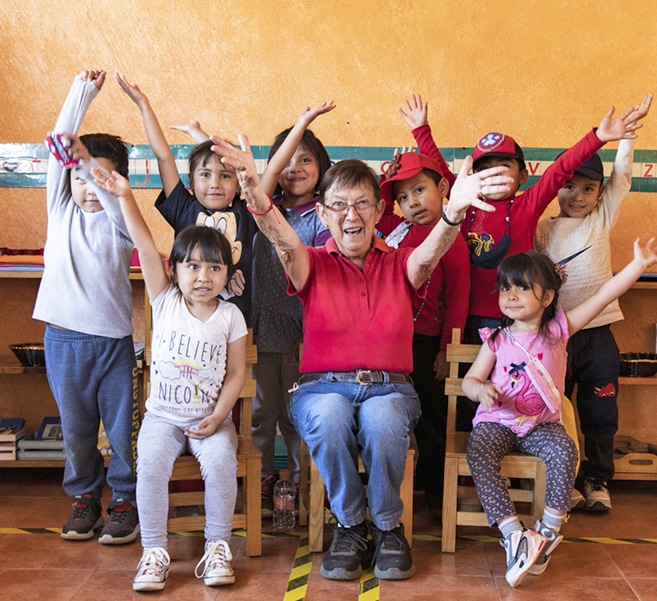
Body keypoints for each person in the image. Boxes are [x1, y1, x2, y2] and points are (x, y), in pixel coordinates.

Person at [210, 132, 514, 581]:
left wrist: (453, 213)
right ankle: (352, 525)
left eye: (361, 204)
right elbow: (279, 236)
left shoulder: (401, 262)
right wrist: (254, 188)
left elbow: (431, 254)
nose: (350, 215)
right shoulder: (310, 261)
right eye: (338, 205)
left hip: (390, 387)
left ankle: (388, 527)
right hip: (321, 387)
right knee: (330, 416)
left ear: (377, 211)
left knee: (383, 419)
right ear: (322, 213)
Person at [400, 93, 647, 428]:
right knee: (463, 398)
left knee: (513, 393)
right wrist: (421, 131)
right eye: (484, 169)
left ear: (522, 175)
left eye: (504, 167)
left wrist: (599, 137)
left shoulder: (526, 205)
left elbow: (560, 171)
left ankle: (518, 459)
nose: (494, 175)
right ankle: (473, 463)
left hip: (515, 322)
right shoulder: (466, 202)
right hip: (466, 320)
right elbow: (442, 172)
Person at [461, 240, 657, 588]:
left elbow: (601, 298)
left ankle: (547, 532)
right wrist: (481, 390)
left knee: (566, 450)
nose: (511, 295)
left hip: (540, 426)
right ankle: (513, 534)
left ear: (548, 297)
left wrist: (637, 266)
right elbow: (471, 379)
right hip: (499, 422)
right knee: (479, 451)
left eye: (522, 287)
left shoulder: (557, 331)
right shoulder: (496, 340)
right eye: (506, 287)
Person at [172, 104, 336, 517]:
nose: (295, 168)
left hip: (303, 334)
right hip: (259, 329)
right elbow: (223, 175)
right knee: (262, 414)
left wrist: (302, 123)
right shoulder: (258, 206)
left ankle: (301, 488)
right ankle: (261, 485)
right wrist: (198, 134)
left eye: (306, 159)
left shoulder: (322, 214)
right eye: (289, 160)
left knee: (298, 415)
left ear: (322, 167)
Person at [90, 166, 248, 592]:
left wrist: (218, 419)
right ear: (175, 269)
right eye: (192, 266)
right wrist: (125, 196)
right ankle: (154, 551)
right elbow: (142, 239)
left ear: (226, 273)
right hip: (162, 417)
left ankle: (217, 546)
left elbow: (236, 374)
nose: (202, 276)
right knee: (152, 466)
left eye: (214, 268)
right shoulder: (165, 301)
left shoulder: (231, 316)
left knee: (220, 464)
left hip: (209, 419)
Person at [33, 70, 140, 545]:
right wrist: (82, 92)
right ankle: (83, 499)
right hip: (64, 342)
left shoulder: (117, 221)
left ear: (116, 181)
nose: (89, 187)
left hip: (114, 344)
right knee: (77, 431)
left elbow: (119, 204)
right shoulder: (61, 210)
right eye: (82, 177)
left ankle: (123, 501)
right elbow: (60, 143)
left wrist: (107, 183)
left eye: (101, 178)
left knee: (120, 432)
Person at [535, 94, 653, 512]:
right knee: (556, 413)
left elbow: (622, 175)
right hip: (556, 338)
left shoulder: (601, 218)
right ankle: (561, 481)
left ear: (599, 193)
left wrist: (625, 139)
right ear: (557, 188)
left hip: (599, 335)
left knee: (600, 413)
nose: (579, 196)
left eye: (589, 188)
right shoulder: (542, 230)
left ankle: (598, 480)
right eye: (570, 186)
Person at [114, 73, 258, 323]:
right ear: (191, 182)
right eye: (205, 175)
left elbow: (255, 178)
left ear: (238, 186)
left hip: (236, 324)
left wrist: (246, 169)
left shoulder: (248, 213)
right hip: (185, 322)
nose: (214, 184)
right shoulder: (184, 208)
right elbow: (163, 157)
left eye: (225, 176)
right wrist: (143, 105)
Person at [378, 151, 470, 516]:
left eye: (419, 190)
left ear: (443, 188)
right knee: (392, 412)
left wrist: (447, 350)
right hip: (390, 342)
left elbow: (459, 299)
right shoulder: (396, 230)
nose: (411, 203)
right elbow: (378, 212)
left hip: (427, 343)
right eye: (402, 197)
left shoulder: (453, 237)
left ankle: (436, 492)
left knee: (430, 421)